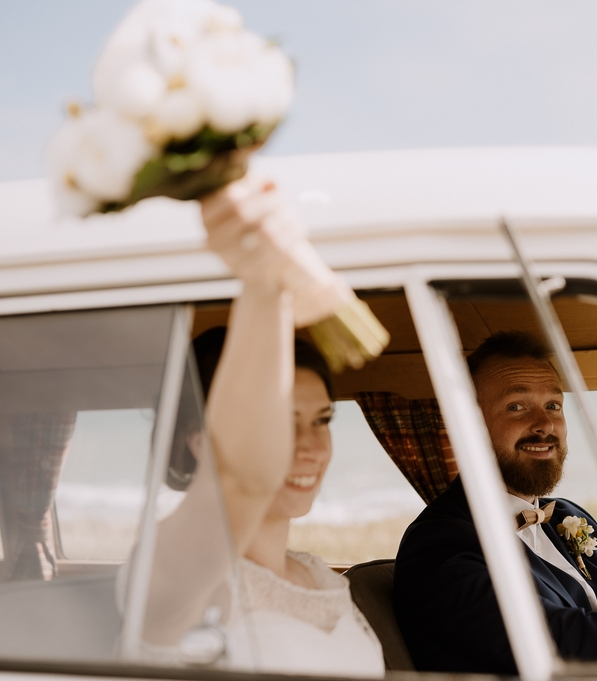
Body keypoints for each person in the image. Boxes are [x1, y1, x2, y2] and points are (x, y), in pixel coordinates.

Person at [137, 178, 384, 677]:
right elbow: (241, 479)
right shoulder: (176, 577)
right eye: (284, 424)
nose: (313, 447)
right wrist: (265, 278)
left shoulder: (319, 576)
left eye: (322, 420)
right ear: (200, 442)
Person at [393, 331, 597, 675]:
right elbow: (554, 641)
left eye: (553, 405)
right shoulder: (438, 547)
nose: (545, 424)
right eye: (516, 407)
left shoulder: (563, 516)